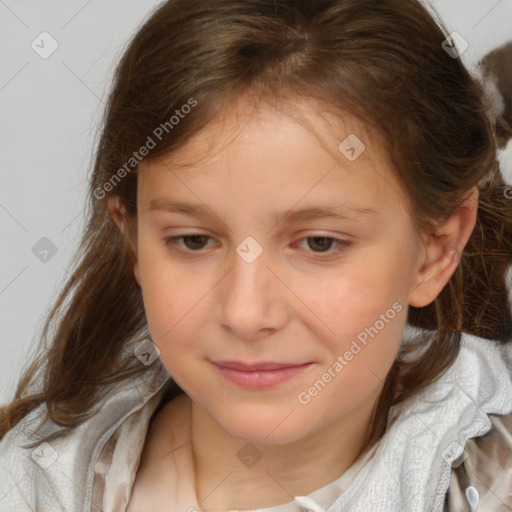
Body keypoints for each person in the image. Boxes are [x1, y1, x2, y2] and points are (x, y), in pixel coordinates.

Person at [1, 1, 512, 511]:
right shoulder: (30, 480)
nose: (245, 313)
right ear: (133, 239)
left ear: (435, 250)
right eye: (193, 241)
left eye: (319, 243)